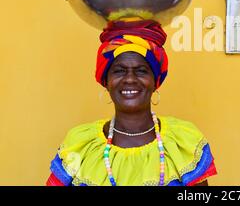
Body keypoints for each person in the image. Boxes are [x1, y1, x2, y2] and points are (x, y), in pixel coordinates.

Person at [46, 20, 217, 186]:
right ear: (106, 81)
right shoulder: (80, 145)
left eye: (141, 71)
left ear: (155, 81)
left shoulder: (183, 143)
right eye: (119, 71)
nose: (129, 79)